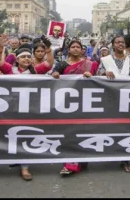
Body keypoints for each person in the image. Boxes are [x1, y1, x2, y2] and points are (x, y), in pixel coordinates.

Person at [51, 40, 99, 176]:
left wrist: (91, 76)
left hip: (85, 102)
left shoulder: (89, 64)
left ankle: (82, 160)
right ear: (69, 49)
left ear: (82, 50)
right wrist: (54, 75)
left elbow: (98, 80)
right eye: (73, 47)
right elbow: (53, 76)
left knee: (84, 131)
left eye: (79, 47)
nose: (76, 49)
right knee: (69, 133)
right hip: (67, 103)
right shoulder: (62, 64)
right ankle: (70, 164)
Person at [97, 35, 130, 173]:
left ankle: (124, 159)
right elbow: (96, 75)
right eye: (117, 42)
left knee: (126, 128)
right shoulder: (105, 60)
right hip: (109, 99)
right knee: (108, 127)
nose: (120, 44)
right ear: (113, 45)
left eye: (122, 42)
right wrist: (104, 73)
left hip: (126, 100)